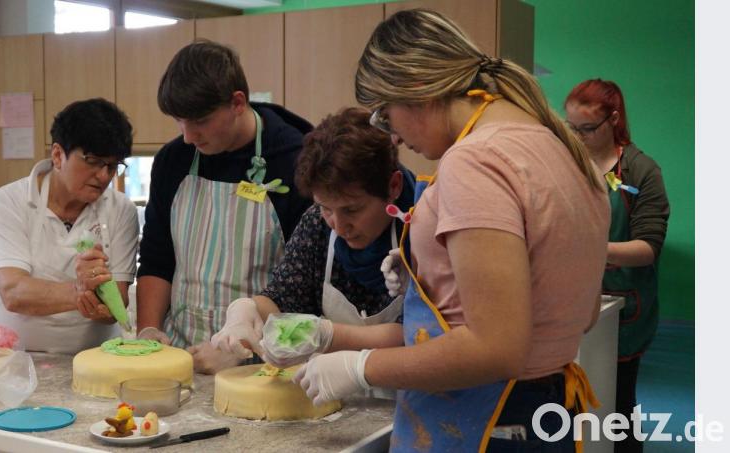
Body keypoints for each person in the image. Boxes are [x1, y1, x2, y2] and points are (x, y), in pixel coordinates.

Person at [261, 9, 612, 452]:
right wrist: (436, 279)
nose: (394, 137)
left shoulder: (476, 161)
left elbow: (495, 348)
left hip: (488, 420)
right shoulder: (557, 147)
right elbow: (577, 311)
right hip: (548, 409)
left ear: (417, 90)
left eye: (386, 114)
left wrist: (361, 368)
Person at [135, 40, 313, 374]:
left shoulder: (295, 158)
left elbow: (307, 287)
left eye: (200, 121)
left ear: (237, 102)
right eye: (179, 121)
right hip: (181, 353)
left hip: (265, 363)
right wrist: (148, 333)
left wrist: (246, 351)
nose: (188, 136)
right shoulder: (174, 160)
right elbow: (157, 258)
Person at [211, 108, 416, 374]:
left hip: (408, 396)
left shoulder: (422, 229)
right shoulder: (317, 226)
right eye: (326, 208)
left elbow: (415, 332)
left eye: (352, 210)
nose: (339, 226)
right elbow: (283, 297)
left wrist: (327, 335)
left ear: (393, 187)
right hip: (336, 401)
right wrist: (247, 312)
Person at [0, 98, 139, 353]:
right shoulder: (8, 202)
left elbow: (116, 304)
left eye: (112, 166)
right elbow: (13, 292)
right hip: (15, 359)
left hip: (94, 360)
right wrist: (79, 291)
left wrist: (102, 307)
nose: (103, 176)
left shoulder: (121, 210)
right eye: (93, 161)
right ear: (57, 155)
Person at [565, 79, 670, 453]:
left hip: (622, 306)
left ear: (613, 119)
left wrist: (593, 249)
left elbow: (647, 248)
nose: (577, 137)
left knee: (617, 405)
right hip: (569, 299)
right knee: (566, 406)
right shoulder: (568, 164)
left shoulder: (641, 172)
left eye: (587, 129)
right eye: (571, 128)